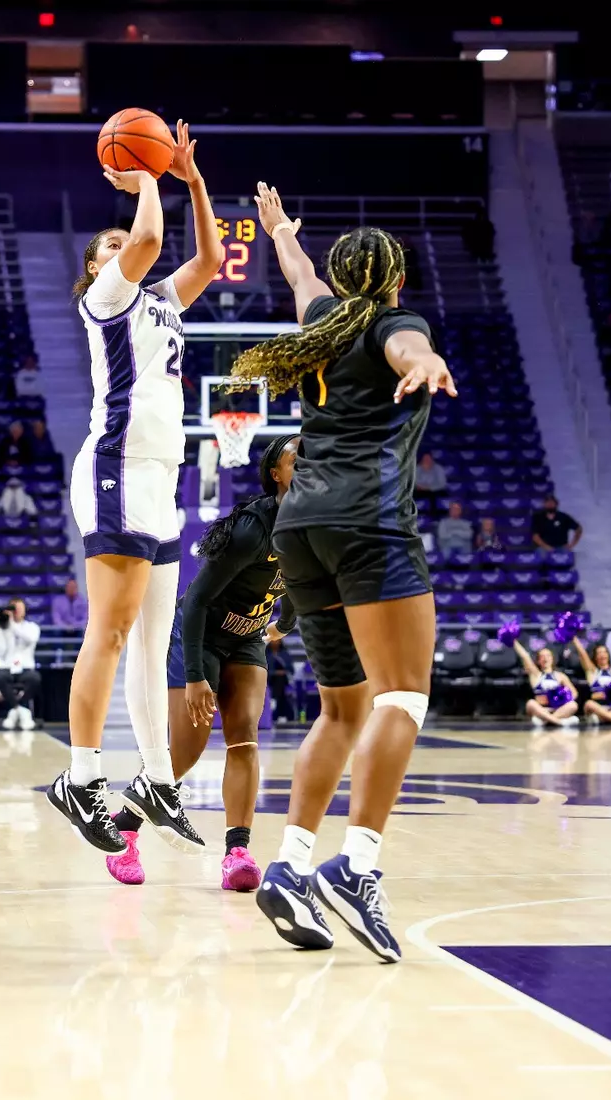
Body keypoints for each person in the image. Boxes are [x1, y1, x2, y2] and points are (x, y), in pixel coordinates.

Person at [230, 182, 454, 962]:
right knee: (403, 697)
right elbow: (406, 349)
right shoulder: (397, 323)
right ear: (395, 282)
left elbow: (300, 279)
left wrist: (282, 233)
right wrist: (425, 360)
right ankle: (356, 867)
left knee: (342, 708)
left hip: (301, 528)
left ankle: (290, 867)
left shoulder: (322, 321)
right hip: (369, 523)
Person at [48, 119, 227, 861]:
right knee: (112, 634)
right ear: (94, 270)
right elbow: (150, 244)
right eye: (109, 247)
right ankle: (81, 775)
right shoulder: (108, 300)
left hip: (160, 479)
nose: (124, 247)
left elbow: (212, 259)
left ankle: (156, 779)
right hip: (117, 467)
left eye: (124, 241)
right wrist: (144, 176)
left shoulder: (161, 302)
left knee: (156, 648)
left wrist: (189, 177)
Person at [105, 435, 299, 890]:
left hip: (248, 637)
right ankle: (126, 831)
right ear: (276, 473)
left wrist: (282, 626)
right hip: (200, 633)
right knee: (186, 752)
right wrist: (194, 677)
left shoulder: (314, 525)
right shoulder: (253, 528)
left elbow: (297, 582)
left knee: (245, 739)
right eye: (298, 458)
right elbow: (193, 602)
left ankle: (237, 852)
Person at [0, 596, 41, 731]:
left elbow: (31, 638)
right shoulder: (1, 628)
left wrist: (13, 625)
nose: (16, 611)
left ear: (25, 611)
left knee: (35, 678)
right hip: (6, 667)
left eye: (19, 608)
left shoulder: (32, 627)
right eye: (13, 609)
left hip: (25, 668)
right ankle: (21, 711)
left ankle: (14, 712)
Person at [515, 641, 578, 728]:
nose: (545, 659)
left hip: (558, 709)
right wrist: (513, 640)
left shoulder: (560, 676)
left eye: (548, 656)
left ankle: (545, 721)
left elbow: (574, 693)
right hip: (542, 709)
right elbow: (525, 656)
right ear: (538, 661)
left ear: (552, 659)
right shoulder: (536, 675)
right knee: (530, 703)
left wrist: (562, 700)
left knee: (573, 705)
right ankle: (560, 722)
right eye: (542, 656)